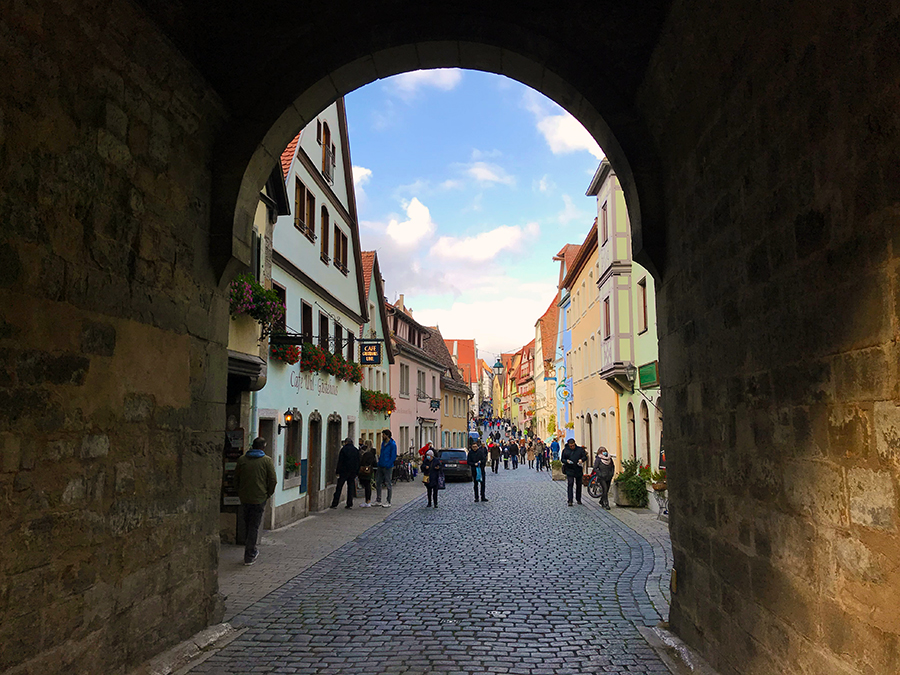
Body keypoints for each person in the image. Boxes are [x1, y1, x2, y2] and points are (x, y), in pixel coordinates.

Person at [233, 437, 277, 566]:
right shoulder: (266, 461)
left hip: (245, 497)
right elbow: (272, 480)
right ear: (263, 447)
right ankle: (250, 554)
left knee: (247, 523)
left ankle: (249, 549)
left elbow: (236, 479)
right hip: (259, 498)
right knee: (254, 526)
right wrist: (268, 493)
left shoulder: (242, 460)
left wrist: (240, 492)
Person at [331, 437, 360, 509]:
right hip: (352, 471)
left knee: (339, 487)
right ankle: (349, 503)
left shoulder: (343, 450)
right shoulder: (356, 450)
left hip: (344, 471)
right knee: (350, 487)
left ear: (346, 442)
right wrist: (357, 472)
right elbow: (358, 462)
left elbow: (340, 461)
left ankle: (335, 503)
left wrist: (337, 471)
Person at [561, 438, 588, 506]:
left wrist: (581, 460)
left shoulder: (579, 449)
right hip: (569, 469)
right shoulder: (565, 450)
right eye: (571, 446)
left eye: (573, 445)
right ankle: (570, 500)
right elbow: (562, 459)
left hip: (578, 469)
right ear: (568, 445)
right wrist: (566, 461)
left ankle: (578, 499)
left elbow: (585, 457)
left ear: (574, 444)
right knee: (570, 484)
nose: (572, 447)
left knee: (579, 484)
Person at [376, 429, 397, 507]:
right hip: (381, 465)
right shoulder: (383, 443)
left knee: (388, 483)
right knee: (378, 482)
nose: (382, 436)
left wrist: (388, 464)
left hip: (388, 466)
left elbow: (393, 456)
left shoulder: (392, 444)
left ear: (387, 435)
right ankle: (378, 500)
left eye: (383, 435)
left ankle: (388, 501)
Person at [358, 440, 376, 507]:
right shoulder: (372, 452)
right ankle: (368, 501)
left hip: (365, 470)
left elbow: (362, 461)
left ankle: (367, 501)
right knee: (367, 485)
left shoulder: (366, 453)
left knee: (367, 486)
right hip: (370, 470)